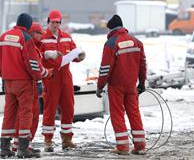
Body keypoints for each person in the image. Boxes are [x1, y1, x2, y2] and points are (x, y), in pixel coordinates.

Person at [0, 13, 51, 158]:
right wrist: (44, 74)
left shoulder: (4, 37)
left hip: (8, 81)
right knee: (26, 113)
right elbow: (32, 64)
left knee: (9, 114)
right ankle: (23, 148)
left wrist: (3, 76)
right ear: (28, 25)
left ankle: (5, 148)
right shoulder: (25, 38)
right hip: (24, 83)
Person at [96, 14, 147, 155]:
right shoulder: (136, 42)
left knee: (117, 114)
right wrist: (142, 82)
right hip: (131, 84)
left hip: (116, 86)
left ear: (111, 29)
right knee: (134, 113)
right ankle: (140, 146)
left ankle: (122, 147)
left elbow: (105, 68)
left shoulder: (111, 43)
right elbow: (142, 64)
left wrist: (100, 86)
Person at [40, 10, 85, 152]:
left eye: (57, 22)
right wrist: (46, 55)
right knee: (50, 109)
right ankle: (48, 140)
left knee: (68, 108)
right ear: (48, 22)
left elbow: (74, 54)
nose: (55, 25)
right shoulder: (42, 38)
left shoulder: (66, 37)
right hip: (51, 78)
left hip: (66, 77)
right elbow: (36, 57)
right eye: (53, 22)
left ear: (60, 23)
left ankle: (67, 139)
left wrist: (80, 57)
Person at [11, 22, 50, 155]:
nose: (41, 37)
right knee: (28, 116)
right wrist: (46, 73)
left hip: (30, 83)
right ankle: (23, 145)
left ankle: (22, 144)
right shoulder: (29, 45)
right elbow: (35, 66)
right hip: (29, 83)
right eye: (39, 34)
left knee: (27, 115)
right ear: (33, 33)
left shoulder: (34, 46)